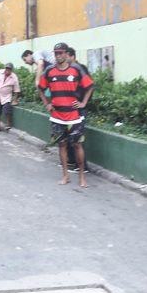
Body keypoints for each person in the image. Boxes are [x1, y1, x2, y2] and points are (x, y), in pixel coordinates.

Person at [38, 42, 95, 187]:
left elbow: (90, 86)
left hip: (74, 116)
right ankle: (65, 175)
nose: (58, 56)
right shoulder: (49, 71)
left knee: (77, 145)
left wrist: (83, 103)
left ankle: (82, 176)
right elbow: (40, 88)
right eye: (56, 53)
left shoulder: (76, 70)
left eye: (61, 53)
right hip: (57, 116)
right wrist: (47, 103)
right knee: (62, 145)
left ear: (66, 54)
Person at [0, 62, 21, 132]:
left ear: (11, 70)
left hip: (6, 96)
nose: (8, 70)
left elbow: (16, 89)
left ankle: (8, 123)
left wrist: (15, 100)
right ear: (5, 68)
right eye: (7, 68)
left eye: (9, 69)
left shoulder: (14, 77)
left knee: (7, 109)